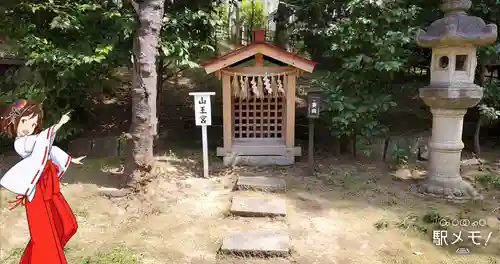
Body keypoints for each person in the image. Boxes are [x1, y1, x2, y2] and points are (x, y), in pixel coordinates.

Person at [0, 99, 85, 264]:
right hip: (36, 191)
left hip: (48, 186)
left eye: (33, 123)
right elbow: (41, 142)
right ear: (14, 123)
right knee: (45, 237)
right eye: (24, 121)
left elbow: (48, 148)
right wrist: (59, 124)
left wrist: (70, 159)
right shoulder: (20, 143)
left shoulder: (36, 140)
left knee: (67, 225)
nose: (29, 127)